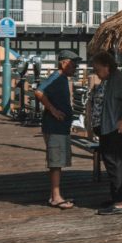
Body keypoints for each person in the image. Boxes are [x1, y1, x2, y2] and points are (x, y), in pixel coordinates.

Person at [88, 50, 122, 215]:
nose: (95, 71)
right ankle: (117, 197)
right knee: (111, 164)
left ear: (106, 66)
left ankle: (120, 202)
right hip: (106, 129)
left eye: (97, 68)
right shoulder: (108, 79)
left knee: (114, 164)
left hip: (112, 129)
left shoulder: (116, 80)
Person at [34, 50, 83, 210]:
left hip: (60, 127)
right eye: (73, 64)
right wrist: (53, 111)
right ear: (63, 63)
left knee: (58, 161)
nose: (75, 68)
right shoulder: (56, 77)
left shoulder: (62, 79)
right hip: (54, 127)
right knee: (55, 162)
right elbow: (39, 91)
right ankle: (56, 197)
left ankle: (56, 195)